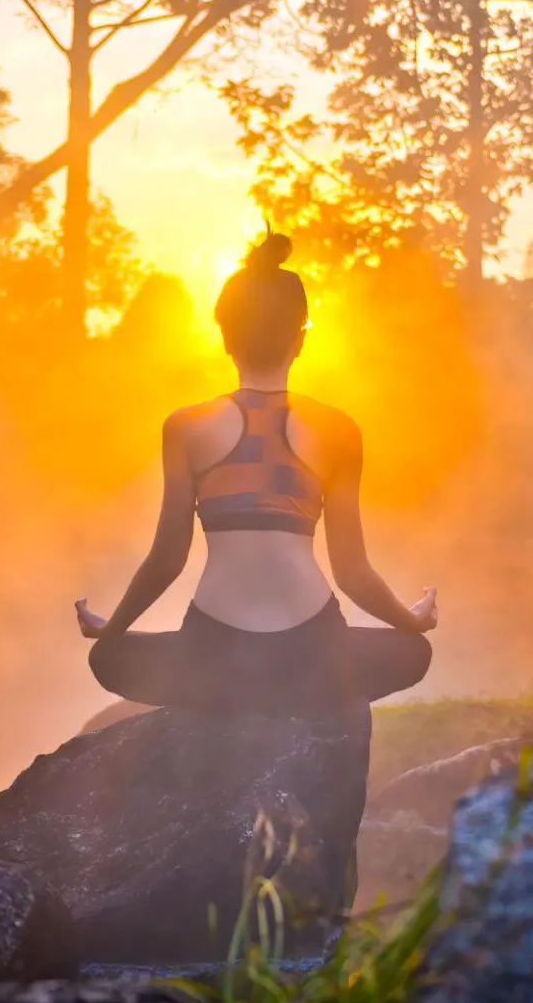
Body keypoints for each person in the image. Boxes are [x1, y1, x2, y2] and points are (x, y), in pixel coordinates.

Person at [76, 232, 436, 717]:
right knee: (413, 652)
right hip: (312, 650)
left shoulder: (186, 427)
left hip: (215, 651)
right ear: (301, 340)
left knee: (108, 657)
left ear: (226, 338)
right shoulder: (338, 430)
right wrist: (410, 621)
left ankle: (225, 693)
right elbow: (352, 572)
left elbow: (167, 560)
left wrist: (113, 627)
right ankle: (299, 693)